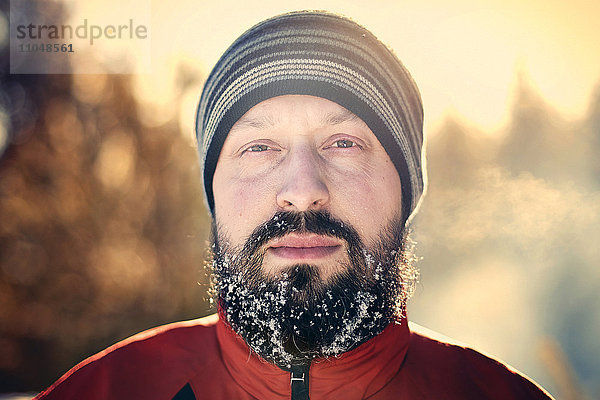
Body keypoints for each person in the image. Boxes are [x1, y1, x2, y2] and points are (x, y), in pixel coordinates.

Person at [35, 11, 554, 400]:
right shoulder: (109, 390)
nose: (302, 189)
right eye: (259, 148)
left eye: (344, 143)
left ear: (406, 191)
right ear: (214, 195)